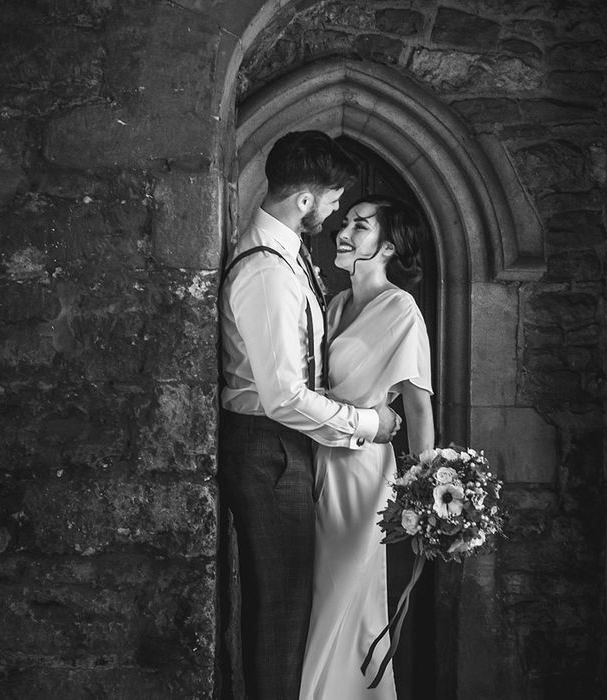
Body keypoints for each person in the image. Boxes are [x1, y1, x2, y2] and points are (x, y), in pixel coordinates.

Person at [218, 132, 402, 700]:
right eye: (332, 197)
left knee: (292, 603)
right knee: (281, 607)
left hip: (285, 447)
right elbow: (285, 396)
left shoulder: (288, 253)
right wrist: (369, 425)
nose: (335, 209)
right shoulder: (268, 272)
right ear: (304, 199)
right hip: (269, 447)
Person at [299, 195, 435, 700]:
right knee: (319, 598)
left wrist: (424, 500)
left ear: (390, 245)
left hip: (363, 475)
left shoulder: (401, 308)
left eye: (361, 225)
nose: (344, 230)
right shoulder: (334, 304)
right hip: (316, 460)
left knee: (344, 597)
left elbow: (419, 410)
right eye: (345, 221)